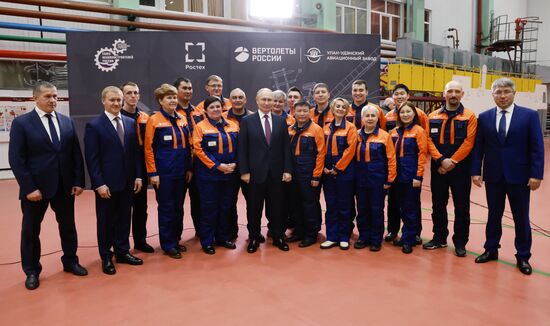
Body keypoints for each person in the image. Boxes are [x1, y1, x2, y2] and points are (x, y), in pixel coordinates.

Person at [9, 81, 87, 290]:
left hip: (64, 186)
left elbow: (75, 155)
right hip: (36, 189)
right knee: (30, 231)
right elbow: (16, 159)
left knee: (68, 227)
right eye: (48, 96)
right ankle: (32, 270)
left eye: (55, 96)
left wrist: (79, 181)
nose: (53, 100)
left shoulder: (66, 121)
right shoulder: (22, 124)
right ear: (35, 97)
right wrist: (29, 188)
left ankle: (71, 261)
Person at [471, 78, 544, 275]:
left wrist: (536, 174)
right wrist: (476, 171)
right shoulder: (484, 117)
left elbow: (537, 147)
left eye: (506, 92)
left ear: (513, 94)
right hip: (493, 176)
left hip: (519, 177)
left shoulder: (528, 116)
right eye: (498, 92)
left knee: (521, 217)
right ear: (492, 94)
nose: (502, 96)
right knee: (493, 215)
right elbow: (479, 147)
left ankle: (523, 256)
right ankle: (491, 249)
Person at [84, 86, 144, 275]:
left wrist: (138, 176)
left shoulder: (128, 122)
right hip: (106, 185)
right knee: (106, 221)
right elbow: (92, 159)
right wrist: (99, 184)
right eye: (112, 100)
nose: (117, 103)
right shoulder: (94, 126)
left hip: (127, 182)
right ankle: (106, 256)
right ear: (103, 101)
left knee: (124, 219)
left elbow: (135, 153)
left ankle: (122, 251)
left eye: (119, 100)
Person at [424, 81, 477, 257]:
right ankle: (439, 238)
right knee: (438, 204)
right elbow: (428, 140)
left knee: (462, 207)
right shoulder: (432, 116)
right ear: (444, 94)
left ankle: (460, 242)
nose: (453, 94)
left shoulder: (469, 116)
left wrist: (452, 161)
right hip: (438, 169)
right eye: (450, 91)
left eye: (457, 91)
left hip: (460, 170)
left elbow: (469, 142)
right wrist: (440, 161)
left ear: (462, 94)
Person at [238, 88, 292, 253]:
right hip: (254, 174)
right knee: (254, 208)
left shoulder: (280, 121)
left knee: (276, 207)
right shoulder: (247, 121)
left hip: (276, 174)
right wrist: (244, 171)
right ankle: (254, 237)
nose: (267, 103)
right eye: (264, 100)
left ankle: (278, 236)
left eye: (270, 100)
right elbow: (242, 148)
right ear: (257, 100)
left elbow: (286, 149)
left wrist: (287, 170)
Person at [144, 84, 193, 259]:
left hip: (181, 173)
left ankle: (176, 239)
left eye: (174, 97)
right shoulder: (154, 120)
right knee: (166, 208)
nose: (173, 100)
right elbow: (148, 148)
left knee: (178, 208)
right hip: (164, 174)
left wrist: (188, 168)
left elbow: (188, 147)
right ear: (160, 100)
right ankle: (168, 244)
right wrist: (153, 173)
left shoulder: (182, 118)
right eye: (168, 98)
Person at [193, 96, 240, 254]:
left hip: (229, 175)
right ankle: (207, 241)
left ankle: (222, 237)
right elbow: (199, 150)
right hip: (209, 176)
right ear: (205, 110)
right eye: (212, 107)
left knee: (226, 207)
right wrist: (218, 166)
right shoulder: (200, 127)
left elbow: (239, 147)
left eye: (218, 106)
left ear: (223, 108)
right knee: (209, 208)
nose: (215, 109)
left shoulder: (233, 125)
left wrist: (235, 163)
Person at [384, 84, 428, 244]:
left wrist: (419, 175)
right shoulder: (390, 121)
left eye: (402, 94)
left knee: (411, 205)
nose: (405, 114)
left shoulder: (419, 126)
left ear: (408, 95)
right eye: (396, 94)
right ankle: (392, 231)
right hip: (395, 173)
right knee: (393, 203)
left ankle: (412, 234)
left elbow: (423, 152)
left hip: (410, 172)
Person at [355, 105, 396, 251]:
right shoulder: (356, 135)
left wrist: (389, 179)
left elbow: (391, 159)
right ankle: (363, 236)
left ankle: (375, 239)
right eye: (367, 116)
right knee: (362, 209)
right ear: (362, 118)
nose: (370, 118)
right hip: (360, 179)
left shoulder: (385, 136)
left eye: (373, 116)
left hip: (378, 180)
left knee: (376, 210)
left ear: (378, 118)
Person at [120, 82, 154, 253]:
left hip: (141, 170)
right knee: (123, 213)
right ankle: (121, 246)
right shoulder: (117, 117)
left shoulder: (145, 118)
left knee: (141, 210)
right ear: (123, 96)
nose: (133, 96)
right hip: (122, 172)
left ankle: (140, 241)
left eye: (136, 93)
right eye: (129, 93)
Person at [320, 98, 357, 250]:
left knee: (344, 205)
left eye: (343, 107)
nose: (340, 109)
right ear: (332, 108)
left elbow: (350, 151)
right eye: (337, 106)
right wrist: (323, 167)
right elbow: (321, 149)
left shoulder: (351, 128)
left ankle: (344, 236)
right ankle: (332, 236)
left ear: (347, 110)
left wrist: (337, 168)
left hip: (344, 173)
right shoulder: (326, 128)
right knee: (331, 205)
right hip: (328, 173)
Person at [287, 100, 325, 248]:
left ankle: (311, 234)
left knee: (309, 205)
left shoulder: (316, 129)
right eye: (299, 111)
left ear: (309, 112)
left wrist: (316, 176)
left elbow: (321, 154)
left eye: (305, 111)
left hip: (308, 175)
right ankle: (299, 231)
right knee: (295, 204)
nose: (302, 114)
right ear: (294, 113)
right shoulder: (290, 129)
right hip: (293, 174)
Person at [174, 77, 201, 240]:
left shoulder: (198, 112)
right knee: (176, 204)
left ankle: (201, 232)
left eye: (190, 88)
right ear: (176, 90)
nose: (188, 91)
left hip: (199, 164)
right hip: (179, 165)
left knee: (199, 202)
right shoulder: (171, 112)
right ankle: (175, 238)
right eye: (184, 88)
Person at [223, 88, 251, 239]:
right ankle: (230, 232)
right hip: (230, 167)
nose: (238, 100)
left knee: (252, 202)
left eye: (241, 97)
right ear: (230, 100)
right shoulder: (222, 118)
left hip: (249, 168)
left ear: (245, 100)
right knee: (229, 201)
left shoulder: (254, 117)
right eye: (234, 97)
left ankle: (254, 231)